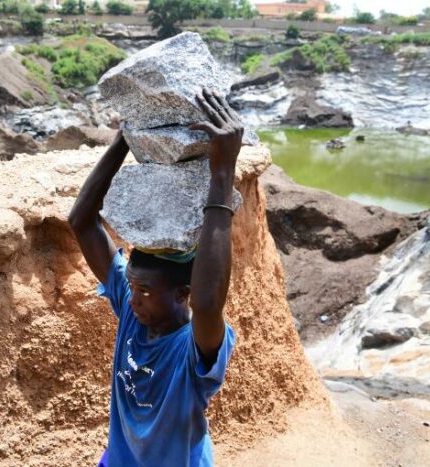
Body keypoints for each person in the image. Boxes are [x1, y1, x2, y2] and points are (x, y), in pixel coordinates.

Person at [68, 88, 243, 467]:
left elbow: (210, 302)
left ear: (184, 293)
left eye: (144, 291)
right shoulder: (135, 313)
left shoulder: (194, 350)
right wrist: (124, 140)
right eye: (131, 286)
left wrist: (223, 171)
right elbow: (81, 221)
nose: (132, 300)